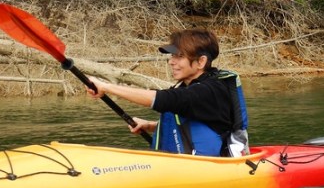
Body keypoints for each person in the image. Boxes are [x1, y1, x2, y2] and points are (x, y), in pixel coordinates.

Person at [85, 29, 249, 157]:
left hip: (208, 167)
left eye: (179, 56)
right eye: (172, 56)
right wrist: (151, 126)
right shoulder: (189, 86)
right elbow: (198, 122)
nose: (171, 61)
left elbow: (162, 99)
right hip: (183, 165)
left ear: (201, 61)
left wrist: (106, 87)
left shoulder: (209, 90)